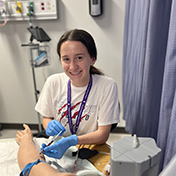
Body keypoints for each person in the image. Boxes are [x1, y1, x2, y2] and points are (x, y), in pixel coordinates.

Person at [35, 29, 120, 159]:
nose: (73, 66)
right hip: (58, 147)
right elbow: (47, 118)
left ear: (92, 58)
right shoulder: (53, 82)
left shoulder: (107, 86)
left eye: (79, 58)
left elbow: (103, 135)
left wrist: (71, 141)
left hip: (91, 147)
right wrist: (48, 126)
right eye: (66, 59)